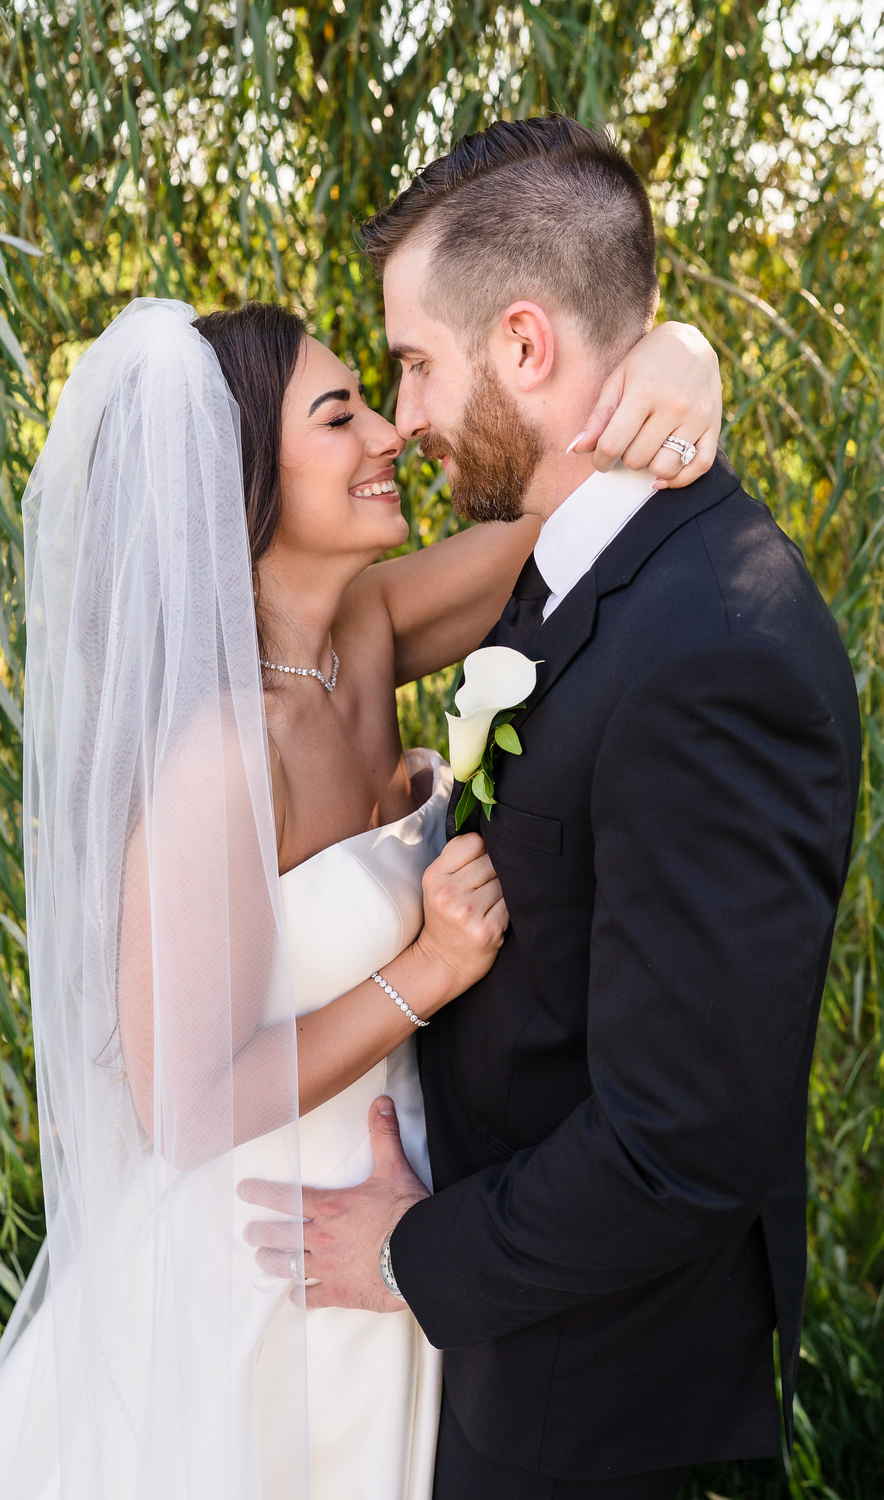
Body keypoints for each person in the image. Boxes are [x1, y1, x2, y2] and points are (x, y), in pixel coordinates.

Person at [0, 288, 721, 1499]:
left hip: (386, 1227)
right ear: (244, 483)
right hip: (254, 1264)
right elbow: (182, 1100)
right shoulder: (219, 754)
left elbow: (584, 516)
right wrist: (423, 972)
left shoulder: (368, 629)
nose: (390, 433)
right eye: (340, 415)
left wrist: (684, 355)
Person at [242, 116, 863, 1500]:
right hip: (495, 1354)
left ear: (525, 347)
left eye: (409, 364)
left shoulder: (715, 652)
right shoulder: (580, 553)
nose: (399, 418)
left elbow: (681, 1138)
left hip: (592, 1409)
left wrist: (411, 1254)